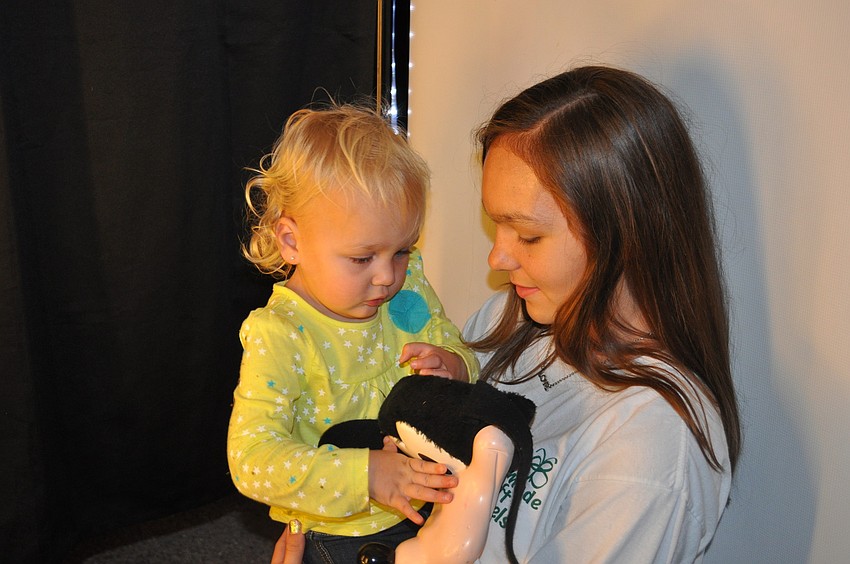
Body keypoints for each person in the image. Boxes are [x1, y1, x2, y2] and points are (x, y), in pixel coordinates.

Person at [267, 64, 741, 563]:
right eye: (497, 227)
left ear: (625, 235)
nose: (497, 258)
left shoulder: (652, 446)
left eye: (528, 236)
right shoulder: (507, 322)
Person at [227, 103, 478, 564]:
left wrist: (456, 363)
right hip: (337, 535)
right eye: (363, 259)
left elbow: (450, 339)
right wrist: (364, 474)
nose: (387, 276)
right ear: (291, 242)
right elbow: (251, 459)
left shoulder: (407, 285)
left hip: (427, 501)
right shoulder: (281, 334)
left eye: (402, 250)